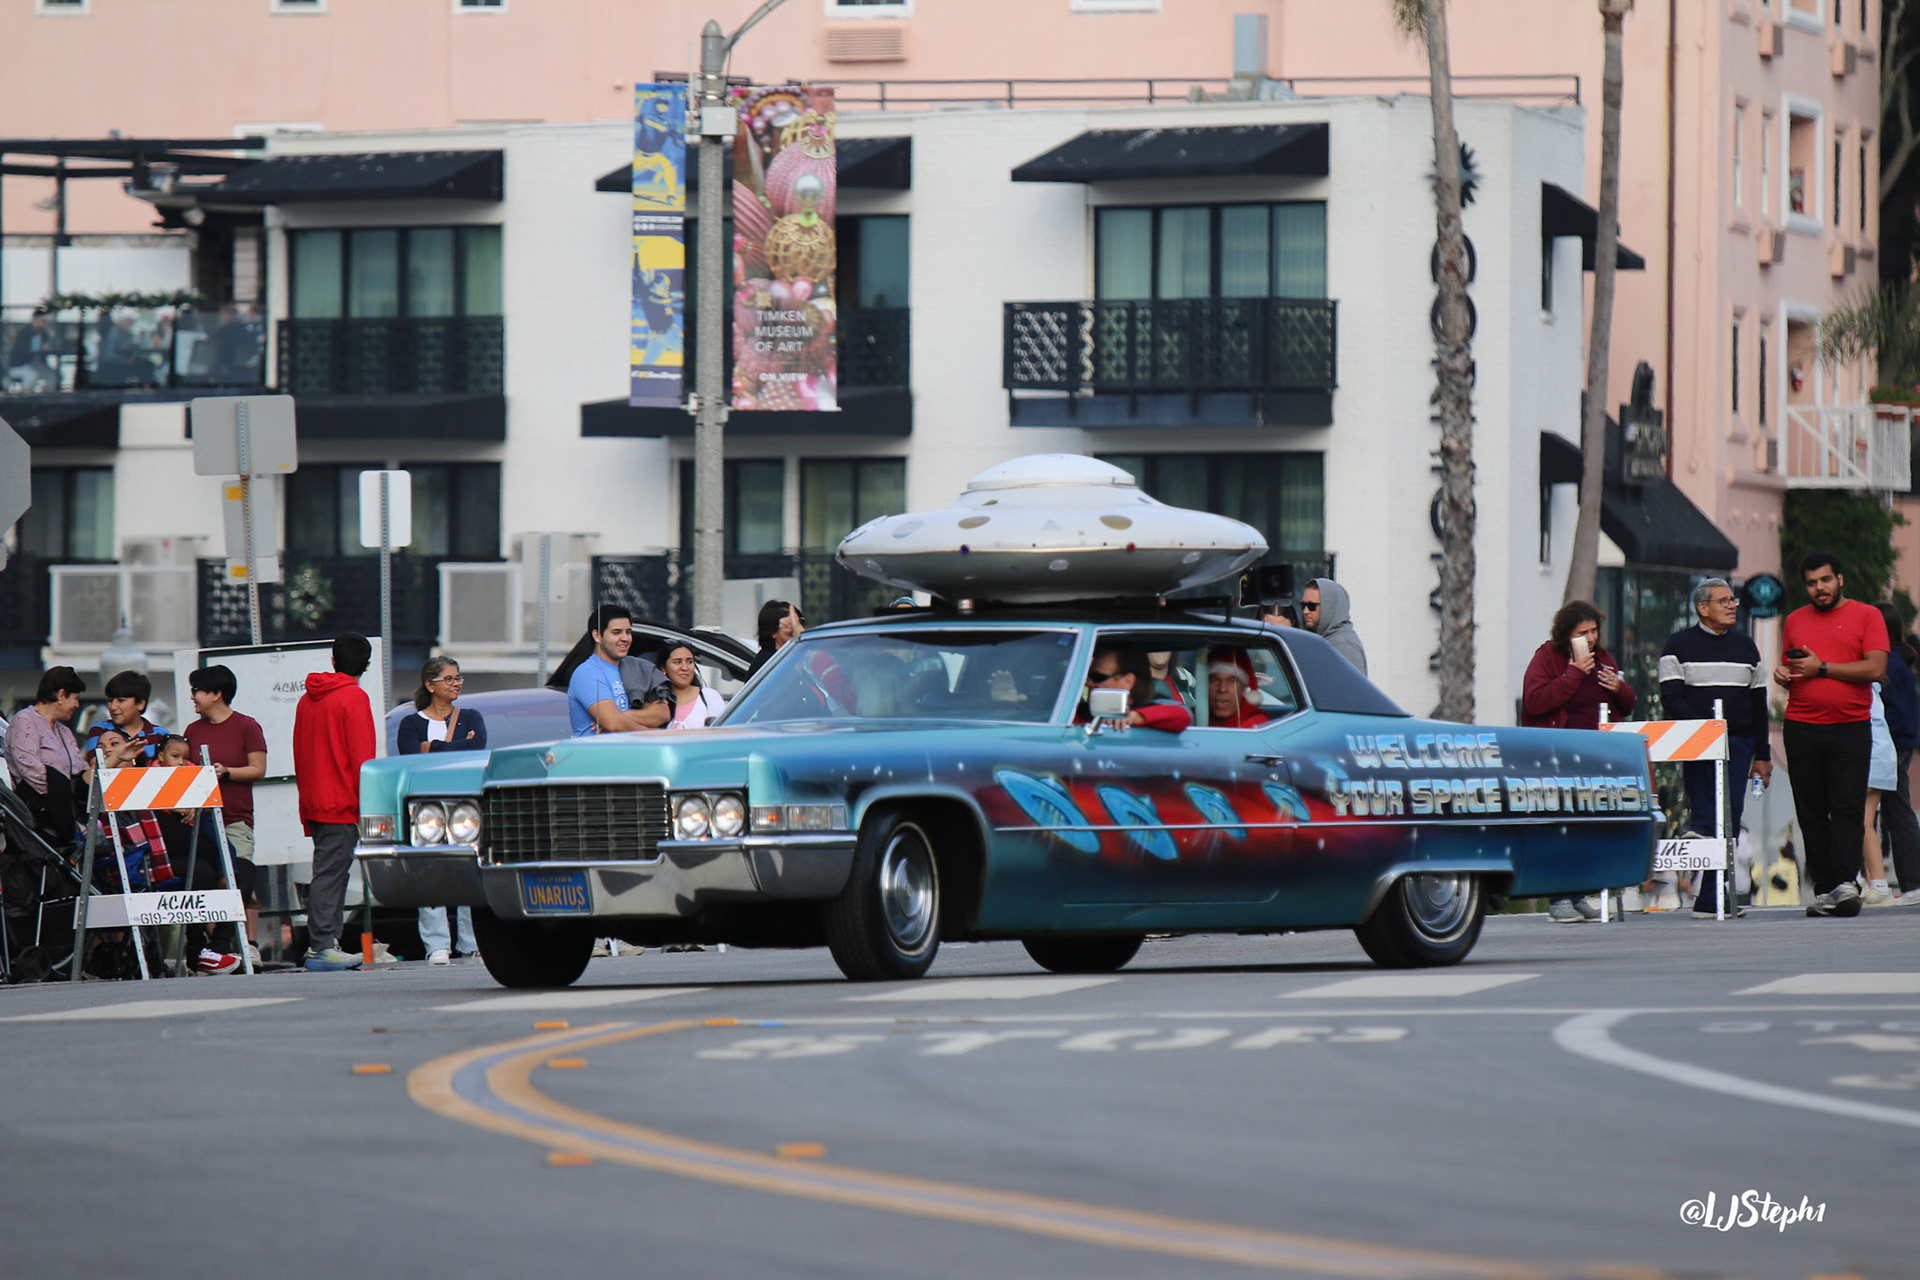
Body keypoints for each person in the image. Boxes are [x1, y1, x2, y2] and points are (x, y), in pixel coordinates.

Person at [1773, 552, 1888, 918]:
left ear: (1840, 579)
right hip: (1802, 726)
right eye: (1811, 583)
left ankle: (1846, 883)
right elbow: (1793, 666)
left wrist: (1821, 668)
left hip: (1850, 727)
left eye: (1825, 580)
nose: (1819, 588)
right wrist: (1783, 674)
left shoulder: (1867, 616)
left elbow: (1876, 668)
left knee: (1847, 807)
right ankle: (1826, 888)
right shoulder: (1795, 619)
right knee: (1809, 811)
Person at [1657, 578, 1772, 919]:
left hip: (1739, 743)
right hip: (1697, 742)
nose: (1732, 605)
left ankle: (1711, 896)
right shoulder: (1678, 645)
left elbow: (1759, 704)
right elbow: (1670, 698)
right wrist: (1705, 730)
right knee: (1706, 813)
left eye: (1733, 600)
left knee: (1730, 816)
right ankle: (1703, 875)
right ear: (1703, 608)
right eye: (1724, 601)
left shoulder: (1747, 647)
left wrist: (1763, 755)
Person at [1521, 602, 1636, 922]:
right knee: (1562, 827)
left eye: (1594, 631)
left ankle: (1577, 893)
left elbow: (1627, 705)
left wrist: (1620, 689)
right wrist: (1573, 674)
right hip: (1558, 757)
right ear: (1566, 634)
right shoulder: (1547, 657)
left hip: (1597, 757)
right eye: (1582, 633)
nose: (1590, 638)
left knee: (1587, 828)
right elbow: (1535, 700)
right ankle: (1558, 897)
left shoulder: (1603, 658)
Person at [292, 635, 377, 971]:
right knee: (331, 874)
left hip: (315, 797)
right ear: (366, 665)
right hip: (342, 801)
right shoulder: (354, 697)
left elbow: (300, 749)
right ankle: (323, 946)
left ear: (333, 660)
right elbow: (362, 757)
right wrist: (367, 804)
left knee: (328, 872)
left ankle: (326, 943)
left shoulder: (307, 699)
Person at [399, 656, 486, 964]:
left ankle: (472, 942)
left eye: (458, 678)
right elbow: (411, 759)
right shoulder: (411, 723)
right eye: (449, 679)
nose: (456, 684)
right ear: (430, 684)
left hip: (465, 805)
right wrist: (458, 745)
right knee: (430, 874)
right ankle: (437, 944)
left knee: (470, 871)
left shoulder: (471, 716)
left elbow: (477, 748)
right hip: (427, 808)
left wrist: (432, 747)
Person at [183, 664, 268, 964]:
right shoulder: (192, 731)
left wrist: (227, 772)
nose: (192, 697)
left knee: (239, 875)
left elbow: (258, 769)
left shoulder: (247, 726)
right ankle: (204, 947)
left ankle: (223, 941)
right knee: (204, 878)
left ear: (216, 694)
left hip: (235, 819)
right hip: (199, 822)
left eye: (197, 691)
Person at [1867, 602, 1920, 903]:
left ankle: (1913, 883)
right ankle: (1909, 882)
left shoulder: (1887, 662)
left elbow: (1891, 711)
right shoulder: (1900, 658)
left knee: (1896, 811)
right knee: (1893, 811)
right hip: (1903, 742)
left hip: (1892, 743)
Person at [5, 666, 88, 844]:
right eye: (75, 698)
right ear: (61, 695)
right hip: (38, 823)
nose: (77, 705)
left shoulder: (64, 731)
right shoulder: (24, 721)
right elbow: (31, 770)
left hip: (67, 820)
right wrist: (65, 793)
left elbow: (81, 769)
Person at [567, 606, 672, 736]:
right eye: (616, 632)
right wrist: (654, 734)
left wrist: (623, 715)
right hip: (599, 749)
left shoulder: (636, 668)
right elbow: (613, 724)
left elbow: (663, 713)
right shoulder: (587, 673)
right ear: (597, 636)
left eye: (628, 632)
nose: (625, 638)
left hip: (633, 748)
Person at [1076, 645, 1191, 732]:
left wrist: (1133, 718)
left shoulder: (1146, 709)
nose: (1088, 683)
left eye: (1098, 677)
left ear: (1128, 681)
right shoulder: (1080, 713)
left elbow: (1182, 716)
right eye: (1089, 676)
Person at [83, 670, 169, 764]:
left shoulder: (161, 734)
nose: (113, 707)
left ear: (141, 704)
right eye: (110, 700)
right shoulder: (99, 730)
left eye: (121, 700)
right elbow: (95, 767)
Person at [1303, 579, 1367, 675]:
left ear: (1329, 607)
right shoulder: (1322, 641)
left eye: (1312, 606)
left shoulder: (1345, 646)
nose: (1305, 611)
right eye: (1303, 605)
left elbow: (1351, 684)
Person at [660, 642, 728, 728]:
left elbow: (723, 731)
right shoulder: (657, 701)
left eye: (690, 662)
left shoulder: (709, 696)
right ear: (664, 668)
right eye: (677, 662)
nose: (685, 668)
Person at [1206, 647, 1270, 729]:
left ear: (1243, 689)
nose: (1222, 689)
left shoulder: (1256, 723)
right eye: (1215, 680)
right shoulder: (1194, 717)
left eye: (1232, 681)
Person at [748, 600, 804, 679]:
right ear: (773, 631)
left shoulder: (785, 657)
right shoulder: (769, 662)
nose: (796, 630)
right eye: (791, 623)